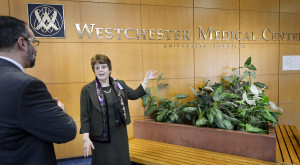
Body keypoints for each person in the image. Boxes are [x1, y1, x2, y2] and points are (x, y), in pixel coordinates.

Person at [0, 16, 77, 165]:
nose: (36, 49)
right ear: (22, 43)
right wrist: (59, 110)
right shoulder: (26, 86)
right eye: (34, 42)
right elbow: (66, 131)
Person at [80, 54, 157, 165]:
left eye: (103, 66)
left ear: (109, 69)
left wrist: (145, 81)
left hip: (119, 132)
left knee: (121, 160)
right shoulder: (87, 90)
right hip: (99, 134)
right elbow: (85, 116)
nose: (100, 70)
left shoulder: (119, 84)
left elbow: (134, 94)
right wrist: (85, 138)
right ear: (94, 71)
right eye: (97, 68)